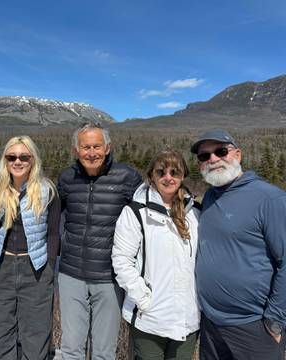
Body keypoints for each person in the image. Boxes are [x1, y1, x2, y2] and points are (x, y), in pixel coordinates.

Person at [191, 129, 286, 360]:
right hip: (211, 323)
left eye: (221, 151)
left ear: (238, 154)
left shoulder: (269, 199)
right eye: (204, 156)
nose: (213, 159)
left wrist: (275, 318)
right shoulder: (211, 196)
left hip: (254, 326)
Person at [57, 122, 142, 359]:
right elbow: (52, 219)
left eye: (96, 146)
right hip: (71, 274)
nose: (91, 153)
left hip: (109, 277)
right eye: (85, 147)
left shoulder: (128, 177)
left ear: (107, 148)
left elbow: (145, 218)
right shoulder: (66, 178)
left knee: (104, 351)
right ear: (76, 150)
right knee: (71, 347)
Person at [112, 150, 200, 359]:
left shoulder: (195, 212)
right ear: (151, 176)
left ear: (183, 175)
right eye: (161, 172)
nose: (168, 177)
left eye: (174, 172)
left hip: (187, 317)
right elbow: (122, 260)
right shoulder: (135, 212)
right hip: (150, 318)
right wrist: (143, 300)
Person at [0, 135, 60, 360]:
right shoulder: (1, 189)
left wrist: (50, 267)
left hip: (35, 268)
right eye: (11, 157)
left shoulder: (47, 191)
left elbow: (53, 233)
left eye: (24, 157)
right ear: (5, 160)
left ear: (33, 160)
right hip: (1, 266)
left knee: (36, 333)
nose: (17, 161)